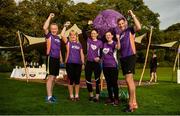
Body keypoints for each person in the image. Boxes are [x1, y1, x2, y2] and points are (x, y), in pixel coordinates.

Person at [117, 10, 141, 112]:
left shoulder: (130, 30)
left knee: (128, 80)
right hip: (123, 58)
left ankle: (130, 105)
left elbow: (139, 27)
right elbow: (118, 48)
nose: (121, 25)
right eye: (119, 24)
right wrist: (117, 39)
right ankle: (134, 103)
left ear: (125, 23)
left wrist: (132, 15)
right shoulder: (120, 34)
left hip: (130, 56)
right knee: (129, 82)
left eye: (122, 23)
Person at [43, 13, 63, 103]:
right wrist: (49, 17)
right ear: (50, 30)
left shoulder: (58, 38)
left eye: (55, 29)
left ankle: (51, 94)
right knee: (50, 77)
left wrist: (61, 58)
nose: (54, 30)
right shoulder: (49, 36)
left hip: (56, 59)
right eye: (52, 29)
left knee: (54, 77)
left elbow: (58, 49)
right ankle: (49, 97)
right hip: (50, 58)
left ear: (57, 29)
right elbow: (44, 28)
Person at [61, 24, 85, 101]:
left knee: (77, 80)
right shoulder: (68, 43)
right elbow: (62, 35)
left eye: (74, 35)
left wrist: (83, 63)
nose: (72, 36)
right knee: (70, 80)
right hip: (70, 63)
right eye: (71, 35)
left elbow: (81, 54)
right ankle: (71, 96)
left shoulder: (79, 44)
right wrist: (65, 26)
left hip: (78, 64)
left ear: (76, 36)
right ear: (69, 36)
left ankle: (76, 96)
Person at [82, 20, 103, 102]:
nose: (93, 34)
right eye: (92, 33)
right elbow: (83, 31)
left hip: (96, 64)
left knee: (97, 80)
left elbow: (101, 53)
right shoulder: (88, 40)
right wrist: (88, 24)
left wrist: (99, 57)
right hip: (89, 63)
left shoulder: (100, 42)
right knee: (88, 79)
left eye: (95, 33)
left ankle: (97, 96)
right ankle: (91, 95)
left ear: (97, 34)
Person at [102, 31, 120, 106]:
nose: (108, 36)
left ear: (112, 36)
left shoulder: (114, 43)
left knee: (114, 83)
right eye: (106, 35)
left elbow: (118, 48)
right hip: (105, 66)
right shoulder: (104, 44)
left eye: (109, 35)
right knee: (108, 83)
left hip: (113, 66)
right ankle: (110, 98)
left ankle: (116, 99)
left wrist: (118, 39)